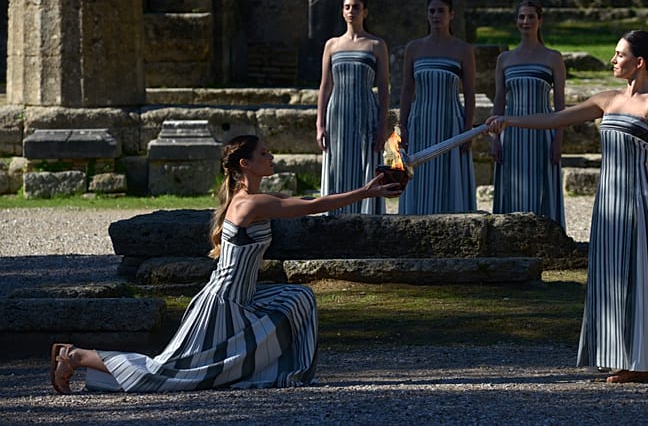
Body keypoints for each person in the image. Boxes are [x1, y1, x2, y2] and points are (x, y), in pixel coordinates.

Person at [50, 135, 401, 394]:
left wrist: (364, 188)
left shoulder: (257, 199)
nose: (272, 156)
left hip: (244, 300)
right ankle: (76, 355)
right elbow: (312, 206)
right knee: (166, 374)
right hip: (221, 304)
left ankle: (279, 374)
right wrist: (365, 193)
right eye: (264, 154)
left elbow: (307, 200)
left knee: (299, 299)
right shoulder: (249, 205)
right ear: (245, 164)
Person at [486, 30, 648, 384]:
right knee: (614, 280)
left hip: (642, 200)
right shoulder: (607, 100)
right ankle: (630, 360)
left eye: (619, 54)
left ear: (639, 62)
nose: (613, 59)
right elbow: (555, 118)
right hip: (608, 202)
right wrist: (509, 120)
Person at [398, 0, 477, 214]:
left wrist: (468, 130)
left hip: (450, 121)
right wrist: (401, 125)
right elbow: (406, 90)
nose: (436, 16)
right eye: (432, 11)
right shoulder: (414, 48)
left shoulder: (463, 50)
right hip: (421, 121)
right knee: (419, 174)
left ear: (451, 15)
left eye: (441, 11)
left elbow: (470, 92)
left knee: (449, 175)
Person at [490, 0, 566, 227]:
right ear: (516, 22)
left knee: (541, 189)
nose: (526, 21)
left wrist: (558, 139)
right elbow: (499, 100)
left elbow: (560, 102)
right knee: (511, 188)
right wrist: (494, 138)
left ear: (539, 21)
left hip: (542, 134)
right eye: (522, 17)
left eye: (531, 17)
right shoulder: (504, 59)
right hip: (511, 135)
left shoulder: (553, 57)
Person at [317, 0, 391, 215]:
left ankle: (366, 217)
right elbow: (325, 85)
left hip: (365, 113)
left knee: (364, 163)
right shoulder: (332, 45)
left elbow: (384, 88)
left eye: (356, 7)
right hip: (337, 114)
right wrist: (320, 123)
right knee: (337, 164)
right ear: (342, 11)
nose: (351, 11)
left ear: (365, 12)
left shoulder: (376, 45)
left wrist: (382, 125)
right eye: (347, 7)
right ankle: (335, 216)